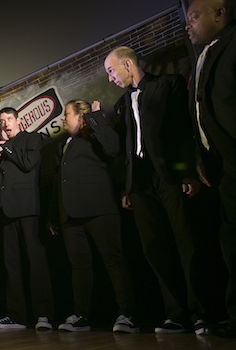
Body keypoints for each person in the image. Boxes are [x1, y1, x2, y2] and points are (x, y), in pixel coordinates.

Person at [104, 46, 206, 334]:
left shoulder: (168, 84)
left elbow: (182, 130)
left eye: (111, 71)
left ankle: (201, 312)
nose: (110, 78)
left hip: (169, 176)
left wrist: (186, 172)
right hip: (139, 183)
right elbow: (125, 148)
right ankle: (175, 314)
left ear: (127, 64)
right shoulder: (122, 102)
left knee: (186, 242)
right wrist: (127, 187)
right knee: (154, 249)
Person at [51, 99, 138, 333]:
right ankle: (81, 315)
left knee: (113, 260)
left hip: (98, 207)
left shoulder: (95, 133)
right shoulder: (63, 144)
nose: (62, 118)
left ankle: (127, 314)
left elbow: (113, 147)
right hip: (69, 213)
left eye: (66, 114)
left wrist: (95, 118)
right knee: (79, 265)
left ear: (80, 116)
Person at [185, 0, 236, 338]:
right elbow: (200, 113)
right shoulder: (204, 55)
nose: (188, 25)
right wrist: (199, 157)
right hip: (221, 163)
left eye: (194, 17)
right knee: (234, 242)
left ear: (220, 14)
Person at [0, 107, 54, 330]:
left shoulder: (31, 138)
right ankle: (17, 315)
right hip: (6, 211)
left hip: (27, 208)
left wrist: (4, 148)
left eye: (9, 119)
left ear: (18, 120)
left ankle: (44, 314)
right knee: (12, 265)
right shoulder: (2, 148)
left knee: (35, 261)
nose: (5, 124)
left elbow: (28, 164)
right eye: (2, 121)